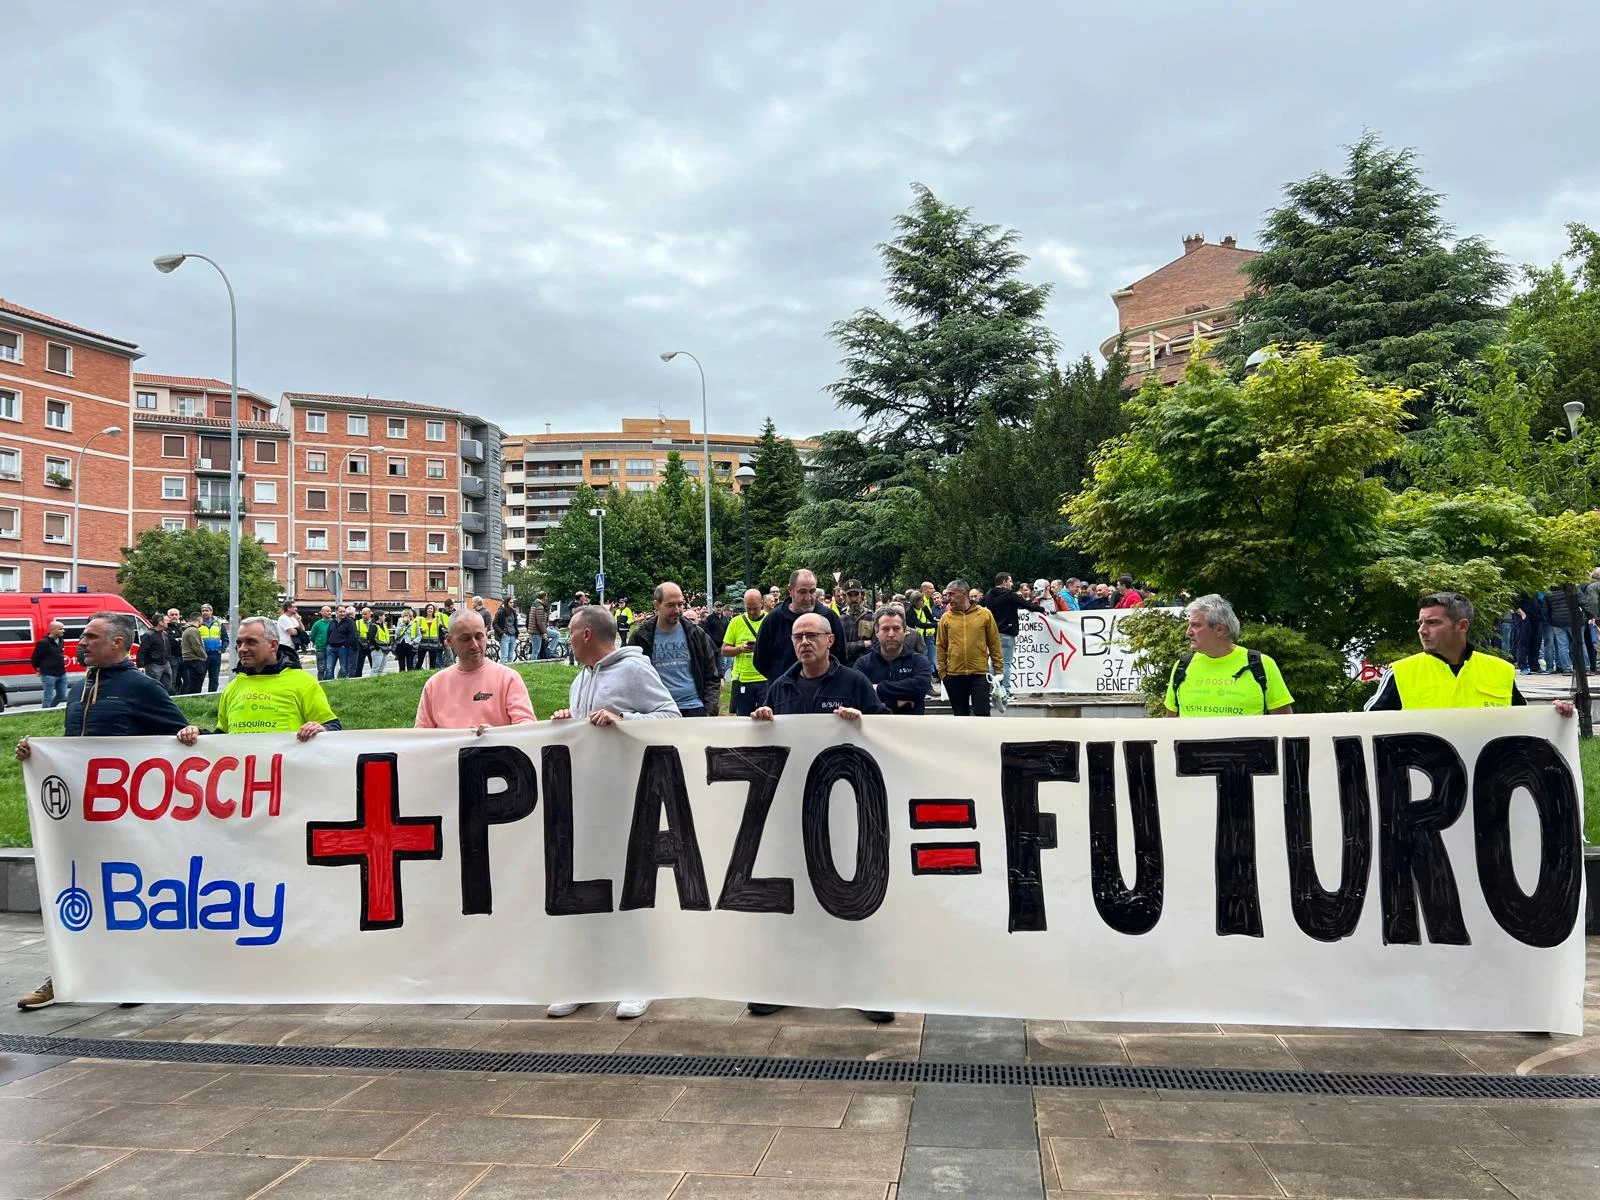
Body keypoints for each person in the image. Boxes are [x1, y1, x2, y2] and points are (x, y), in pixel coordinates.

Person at [16, 612, 193, 1011]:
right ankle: (64, 976)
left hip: (126, 818)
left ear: (118, 643)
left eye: (91, 637)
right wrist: (37, 754)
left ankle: (131, 976)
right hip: (79, 817)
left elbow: (179, 738)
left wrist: (189, 736)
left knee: (127, 898)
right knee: (76, 895)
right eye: (83, 637)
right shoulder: (79, 688)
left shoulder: (143, 687)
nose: (82, 643)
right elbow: (71, 748)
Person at [748, 611, 891, 1023]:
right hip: (794, 806)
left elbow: (888, 728)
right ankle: (786, 984)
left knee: (853, 899)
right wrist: (761, 722)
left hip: (846, 808)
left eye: (812, 635)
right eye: (797, 636)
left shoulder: (854, 683)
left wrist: (863, 722)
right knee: (791, 898)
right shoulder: (781, 686)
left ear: (830, 640)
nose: (804, 642)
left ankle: (866, 987)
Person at [546, 606, 677, 1021]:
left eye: (570, 632)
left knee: (633, 889)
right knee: (586, 891)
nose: (566, 639)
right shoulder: (580, 679)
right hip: (587, 799)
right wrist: (567, 721)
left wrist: (625, 719)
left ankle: (640, 980)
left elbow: (670, 716)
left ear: (587, 634)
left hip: (629, 796)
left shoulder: (634, 670)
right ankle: (588, 979)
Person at [1367, 591, 1576, 718]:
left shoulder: (1500, 670)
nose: (1422, 630)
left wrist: (1554, 716)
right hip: (1422, 779)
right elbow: (1365, 729)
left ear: (1462, 626)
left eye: (1432, 623)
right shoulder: (1400, 673)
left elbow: (1523, 726)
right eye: (1420, 623)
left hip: (1485, 778)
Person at [179, 617, 340, 740]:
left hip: (286, 772)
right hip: (243, 772)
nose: (242, 649)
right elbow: (223, 736)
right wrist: (198, 734)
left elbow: (333, 726)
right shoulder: (233, 687)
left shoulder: (303, 681)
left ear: (273, 645)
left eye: (251, 642)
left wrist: (322, 729)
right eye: (239, 643)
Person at [1164, 595, 1295, 717]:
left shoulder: (1261, 665)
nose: (1188, 632)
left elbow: (1285, 724)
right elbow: (1170, 724)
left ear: (1220, 629)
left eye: (1196, 625)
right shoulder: (1182, 666)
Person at [415, 609, 537, 734]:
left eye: (479, 637)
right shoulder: (434, 685)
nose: (474, 645)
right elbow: (421, 735)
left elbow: (527, 727)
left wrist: (494, 736)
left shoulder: (509, 678)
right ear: (450, 641)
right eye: (466, 639)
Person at [629, 582, 722, 716]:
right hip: (657, 711)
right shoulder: (641, 637)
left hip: (694, 708)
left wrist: (709, 711)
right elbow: (629, 676)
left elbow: (711, 676)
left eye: (680, 604)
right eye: (670, 605)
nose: (677, 610)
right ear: (657, 605)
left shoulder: (696, 634)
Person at [753, 569, 848, 682]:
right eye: (802, 592)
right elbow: (760, 660)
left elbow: (841, 657)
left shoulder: (830, 618)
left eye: (812, 591)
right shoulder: (773, 620)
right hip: (785, 690)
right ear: (790, 590)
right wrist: (781, 682)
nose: (808, 598)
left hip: (825, 688)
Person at [937, 579, 1002, 717]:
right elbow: (941, 646)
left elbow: (994, 642)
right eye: (947, 594)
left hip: (979, 673)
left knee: (983, 714)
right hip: (954, 674)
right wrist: (943, 673)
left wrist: (999, 670)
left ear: (964, 593)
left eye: (952, 594)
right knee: (960, 716)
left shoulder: (984, 614)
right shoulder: (946, 618)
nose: (948, 598)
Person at [856, 608, 933, 714]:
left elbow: (920, 688)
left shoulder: (919, 661)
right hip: (874, 723)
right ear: (876, 632)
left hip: (911, 723)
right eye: (885, 629)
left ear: (905, 632)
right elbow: (858, 694)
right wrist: (901, 700)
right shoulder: (863, 664)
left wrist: (877, 688)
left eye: (896, 628)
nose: (891, 634)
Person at [983, 572, 1044, 693]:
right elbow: (1026, 604)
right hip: (1007, 632)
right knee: (1005, 663)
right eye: (1010, 581)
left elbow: (978, 605)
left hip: (992, 633)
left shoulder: (989, 594)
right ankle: (1005, 691)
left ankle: (990, 688)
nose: (1012, 584)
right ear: (1004, 582)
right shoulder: (1009, 595)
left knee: (993, 662)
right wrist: (1042, 609)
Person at [721, 588, 770, 716]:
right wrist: (740, 649)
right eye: (748, 608)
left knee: (766, 719)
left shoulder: (770, 619)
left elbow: (779, 648)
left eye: (755, 608)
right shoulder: (736, 622)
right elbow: (724, 650)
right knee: (743, 720)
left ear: (762, 604)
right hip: (742, 679)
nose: (752, 612)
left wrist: (760, 648)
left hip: (765, 678)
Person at [30, 620, 68, 708]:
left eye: (63, 629)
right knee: (48, 697)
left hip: (62, 673)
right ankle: (46, 711)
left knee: (61, 695)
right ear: (52, 630)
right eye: (60, 629)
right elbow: (35, 658)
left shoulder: (61, 641)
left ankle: (51, 708)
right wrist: (38, 668)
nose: (63, 631)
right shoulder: (43, 643)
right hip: (49, 675)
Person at [838, 581, 876, 667]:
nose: (853, 599)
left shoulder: (871, 617)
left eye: (856, 594)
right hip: (847, 666)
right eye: (850, 595)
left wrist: (851, 646)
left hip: (868, 665)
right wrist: (863, 644)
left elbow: (876, 644)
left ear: (862, 595)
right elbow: (840, 647)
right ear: (844, 597)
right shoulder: (841, 619)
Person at [195, 603, 228, 692]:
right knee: (199, 678)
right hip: (202, 655)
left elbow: (225, 639)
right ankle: (198, 696)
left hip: (215, 654)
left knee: (214, 679)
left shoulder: (218, 624)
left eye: (207, 610)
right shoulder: (198, 624)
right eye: (203, 611)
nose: (204, 612)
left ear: (211, 612)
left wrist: (222, 649)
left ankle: (212, 695)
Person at [138, 614, 173, 693]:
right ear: (160, 622)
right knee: (154, 687)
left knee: (167, 686)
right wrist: (140, 665)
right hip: (153, 664)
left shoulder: (164, 633)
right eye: (166, 620)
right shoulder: (149, 635)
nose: (168, 622)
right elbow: (142, 650)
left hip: (166, 663)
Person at [326, 605, 358, 679]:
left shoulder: (349, 622)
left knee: (344, 669)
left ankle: (343, 683)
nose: (342, 613)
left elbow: (353, 635)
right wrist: (328, 643)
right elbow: (328, 633)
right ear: (336, 612)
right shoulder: (333, 622)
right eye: (340, 612)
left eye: (344, 612)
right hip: (331, 648)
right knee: (329, 669)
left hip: (343, 648)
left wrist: (345, 645)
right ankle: (329, 683)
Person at [179, 613, 208, 694]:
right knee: (196, 683)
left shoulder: (187, 629)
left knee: (191, 681)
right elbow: (196, 646)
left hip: (189, 659)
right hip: (194, 659)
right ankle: (194, 697)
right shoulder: (193, 630)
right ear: (199, 620)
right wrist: (204, 656)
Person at [414, 602, 444, 669]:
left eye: (431, 608)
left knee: (432, 663)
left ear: (433, 610)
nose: (430, 610)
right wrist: (420, 630)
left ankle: (431, 674)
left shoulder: (437, 620)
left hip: (434, 644)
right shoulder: (421, 620)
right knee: (420, 662)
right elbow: (416, 630)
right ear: (426, 610)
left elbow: (440, 631)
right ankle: (415, 673)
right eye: (428, 608)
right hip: (423, 643)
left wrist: (441, 641)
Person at [308, 605, 334, 680]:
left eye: (330, 611)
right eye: (327, 611)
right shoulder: (317, 624)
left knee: (330, 668)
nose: (329, 612)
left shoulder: (333, 622)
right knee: (321, 668)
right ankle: (321, 681)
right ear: (322, 612)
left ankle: (329, 681)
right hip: (320, 649)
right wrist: (318, 643)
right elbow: (312, 636)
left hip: (331, 648)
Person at [494, 595, 520, 662]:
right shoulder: (500, 611)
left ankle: (509, 669)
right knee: (504, 656)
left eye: (513, 602)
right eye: (510, 602)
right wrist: (502, 633)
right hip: (505, 636)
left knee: (511, 656)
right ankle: (501, 668)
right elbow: (494, 624)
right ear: (506, 603)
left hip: (513, 635)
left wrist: (516, 633)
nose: (512, 604)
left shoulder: (513, 611)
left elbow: (515, 622)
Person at [395, 606, 419, 672]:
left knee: (410, 665)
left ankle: (410, 677)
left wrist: (413, 642)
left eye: (408, 615)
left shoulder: (414, 624)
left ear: (411, 616)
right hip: (400, 645)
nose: (406, 617)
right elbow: (397, 633)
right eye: (405, 615)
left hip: (410, 645)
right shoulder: (400, 623)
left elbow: (419, 636)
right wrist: (402, 623)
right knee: (401, 665)